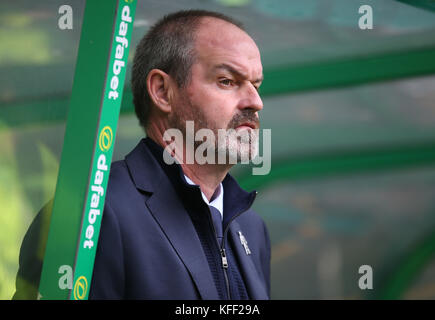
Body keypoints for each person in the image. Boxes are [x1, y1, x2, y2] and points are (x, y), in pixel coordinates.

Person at [14, 9, 270, 300]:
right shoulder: (90, 214)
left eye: (256, 85)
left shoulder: (252, 229)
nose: (255, 102)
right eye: (227, 80)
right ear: (162, 91)